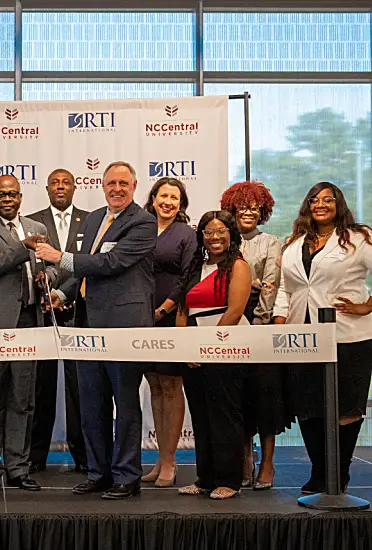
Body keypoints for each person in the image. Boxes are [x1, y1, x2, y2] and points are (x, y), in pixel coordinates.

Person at [36, 161, 157, 500]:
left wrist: (59, 257)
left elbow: (110, 263)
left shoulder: (144, 222)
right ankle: (99, 472)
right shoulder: (93, 219)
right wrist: (62, 293)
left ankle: (127, 476)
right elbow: (86, 271)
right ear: (102, 186)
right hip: (87, 325)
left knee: (126, 405)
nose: (116, 189)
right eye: (110, 183)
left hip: (124, 328)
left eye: (123, 183)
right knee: (91, 405)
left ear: (134, 186)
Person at [273, 182, 372, 495]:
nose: (320, 204)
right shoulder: (294, 243)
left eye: (328, 199)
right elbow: (285, 289)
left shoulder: (360, 238)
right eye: (314, 199)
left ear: (338, 204)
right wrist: (279, 322)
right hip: (301, 337)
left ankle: (338, 473)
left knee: (346, 406)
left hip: (349, 335)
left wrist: (366, 305)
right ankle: (320, 472)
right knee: (308, 406)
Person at [0, 174, 52, 494]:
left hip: (29, 321)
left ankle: (18, 466)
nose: (7, 198)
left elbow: (45, 267)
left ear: (20, 197)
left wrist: (48, 280)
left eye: (12, 193)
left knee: (22, 399)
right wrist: (22, 247)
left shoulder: (37, 228)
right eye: (1, 194)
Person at [220, 181, 290, 490]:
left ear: (263, 211)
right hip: (227, 329)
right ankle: (245, 459)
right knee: (238, 398)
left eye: (255, 207)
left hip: (259, 329)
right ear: (232, 209)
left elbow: (271, 287)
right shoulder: (223, 242)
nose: (249, 211)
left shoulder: (271, 242)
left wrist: (257, 326)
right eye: (243, 205)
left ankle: (268, 462)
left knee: (266, 397)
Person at [176, 210, 251, 500]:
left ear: (231, 235)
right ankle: (205, 478)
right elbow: (183, 308)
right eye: (209, 232)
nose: (215, 237)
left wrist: (208, 346)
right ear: (202, 236)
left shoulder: (238, 266)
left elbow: (234, 310)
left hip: (226, 345)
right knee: (201, 414)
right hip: (193, 347)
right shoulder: (196, 265)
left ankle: (229, 480)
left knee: (224, 414)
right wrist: (186, 346)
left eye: (221, 231)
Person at [27, 168, 89, 475]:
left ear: (75, 187)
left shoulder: (90, 220)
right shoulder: (32, 222)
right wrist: (45, 292)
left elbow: (87, 264)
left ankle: (84, 455)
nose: (61, 187)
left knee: (81, 388)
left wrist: (63, 294)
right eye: (55, 183)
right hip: (41, 311)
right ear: (47, 188)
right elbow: (31, 264)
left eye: (66, 182)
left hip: (79, 312)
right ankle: (35, 456)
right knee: (40, 386)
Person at [141, 178, 196, 487]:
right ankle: (159, 458)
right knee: (155, 384)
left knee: (172, 385)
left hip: (171, 317)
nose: (169, 201)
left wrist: (163, 309)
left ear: (181, 203)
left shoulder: (187, 235)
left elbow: (187, 277)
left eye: (175, 197)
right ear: (153, 199)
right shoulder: (142, 230)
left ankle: (171, 461)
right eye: (164, 195)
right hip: (141, 317)